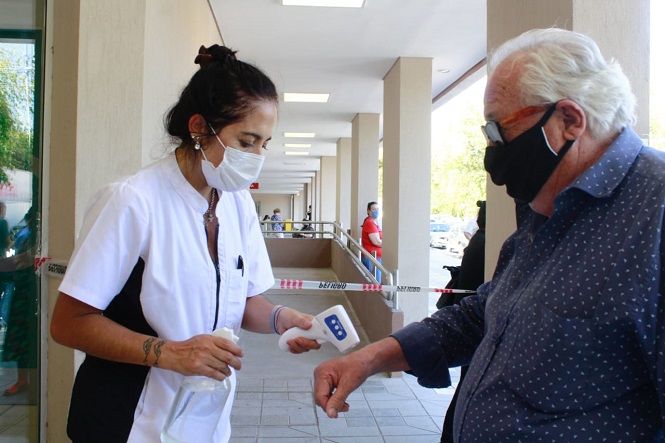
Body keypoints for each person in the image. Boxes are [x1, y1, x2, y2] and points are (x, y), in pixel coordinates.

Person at [313, 28, 665, 442]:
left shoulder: (653, 216)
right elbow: (488, 314)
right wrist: (372, 358)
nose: (490, 152)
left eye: (498, 131)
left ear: (569, 121)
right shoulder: (543, 211)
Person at [50, 44, 321, 443]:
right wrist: (171, 353)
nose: (257, 157)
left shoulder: (237, 204)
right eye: (246, 142)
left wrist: (281, 319)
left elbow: (242, 301)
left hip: (204, 420)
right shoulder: (132, 201)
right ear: (199, 128)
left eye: (264, 144)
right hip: (128, 421)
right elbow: (69, 323)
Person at [439, 200, 485, 443]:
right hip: (476, 329)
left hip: (469, 319)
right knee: (468, 388)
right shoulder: (486, 243)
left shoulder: (478, 241)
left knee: (465, 389)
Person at [360, 201, 382, 281]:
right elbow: (377, 242)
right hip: (372, 258)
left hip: (375, 258)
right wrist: (389, 244)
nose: (376, 211)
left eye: (378, 209)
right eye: (374, 209)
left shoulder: (374, 222)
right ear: (368, 211)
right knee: (375, 282)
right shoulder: (370, 223)